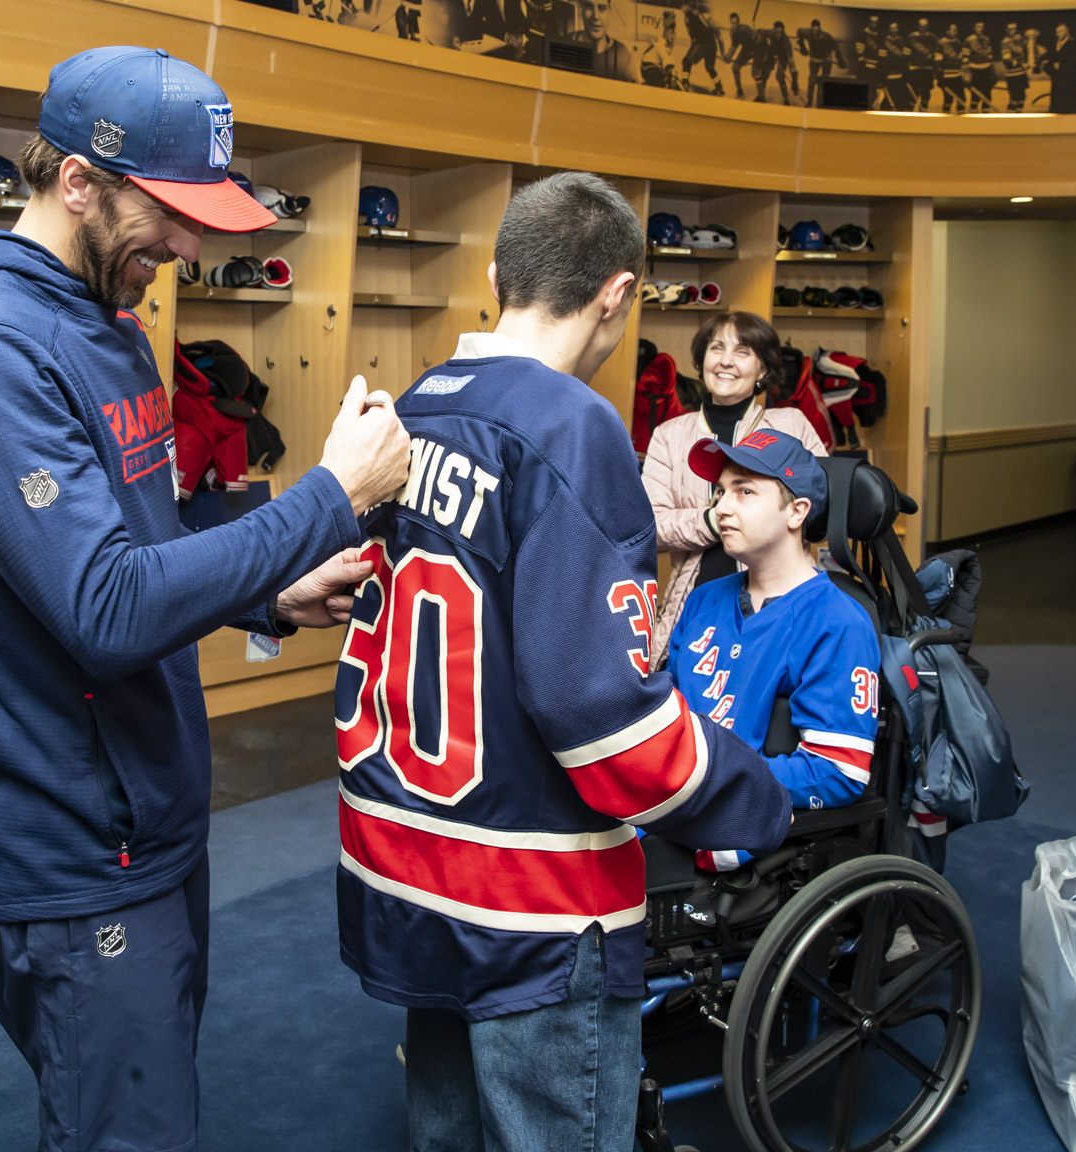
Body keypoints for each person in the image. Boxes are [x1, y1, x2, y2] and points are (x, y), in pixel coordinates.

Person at [0, 46, 411, 1152]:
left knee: (130, 1110)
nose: (185, 246)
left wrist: (269, 591)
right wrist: (328, 499)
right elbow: (108, 606)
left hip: (145, 816)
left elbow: (144, 545)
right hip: (66, 846)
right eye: (165, 213)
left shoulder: (106, 323)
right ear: (77, 182)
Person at [335, 173, 791, 1152]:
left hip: (404, 862)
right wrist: (758, 797)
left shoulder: (416, 405)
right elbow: (605, 722)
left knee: (446, 1131)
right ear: (618, 295)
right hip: (528, 899)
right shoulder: (572, 429)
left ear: (496, 274)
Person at [669, 430, 880, 864]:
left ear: (796, 512)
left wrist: (715, 784)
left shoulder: (837, 622)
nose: (721, 508)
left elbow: (839, 771)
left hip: (723, 825)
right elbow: (667, 707)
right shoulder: (704, 598)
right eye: (720, 491)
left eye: (744, 491)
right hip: (664, 798)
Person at [640, 311, 826, 671]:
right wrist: (711, 520)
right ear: (702, 360)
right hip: (694, 605)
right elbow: (650, 527)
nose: (726, 360)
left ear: (763, 370)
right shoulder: (669, 435)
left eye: (743, 352)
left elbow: (821, 508)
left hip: (783, 603)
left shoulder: (791, 425)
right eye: (716, 348)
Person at [577, 0, 637, 81]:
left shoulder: (622, 55)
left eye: (602, 8)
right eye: (589, 7)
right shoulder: (565, 43)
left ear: (609, 11)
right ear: (581, 8)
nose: (596, 16)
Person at [680, 0, 724, 95]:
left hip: (702, 43)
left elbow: (692, 35)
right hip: (712, 44)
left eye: (682, 6)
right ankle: (719, 87)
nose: (681, 9)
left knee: (686, 61)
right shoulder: (697, 13)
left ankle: (684, 83)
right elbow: (707, 26)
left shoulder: (688, 17)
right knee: (710, 67)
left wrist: (693, 49)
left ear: (687, 6)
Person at [797, 18, 838, 106]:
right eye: (813, 30)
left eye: (816, 30)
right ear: (811, 28)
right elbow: (799, 31)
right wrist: (802, 47)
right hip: (814, 59)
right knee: (811, 80)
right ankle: (809, 101)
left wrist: (838, 59)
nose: (815, 32)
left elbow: (835, 46)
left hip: (826, 59)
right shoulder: (807, 32)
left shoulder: (826, 36)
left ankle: (822, 101)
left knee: (825, 79)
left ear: (820, 29)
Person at [1045, 22, 1076, 114]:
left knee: (1070, 105)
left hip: (1069, 80)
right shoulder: (1055, 44)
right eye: (1057, 32)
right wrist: (1051, 66)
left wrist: (1062, 66)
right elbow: (1049, 59)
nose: (1058, 34)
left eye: (1061, 32)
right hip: (1057, 79)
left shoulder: (1074, 44)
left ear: (1067, 32)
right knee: (1057, 105)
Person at [642, 10, 683, 88]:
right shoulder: (661, 42)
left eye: (674, 33)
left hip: (655, 67)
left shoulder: (670, 43)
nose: (673, 36)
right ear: (666, 32)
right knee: (665, 82)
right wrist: (671, 70)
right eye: (671, 33)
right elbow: (665, 57)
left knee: (668, 78)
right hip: (647, 67)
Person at [1000, 21, 1033, 112]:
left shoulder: (1019, 39)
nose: (1013, 31)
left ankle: (1019, 115)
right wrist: (1020, 63)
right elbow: (1007, 60)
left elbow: (1026, 51)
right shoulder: (1005, 42)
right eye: (1010, 29)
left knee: (1022, 97)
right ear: (1007, 30)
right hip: (1012, 74)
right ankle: (1011, 116)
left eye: (1014, 28)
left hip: (1021, 72)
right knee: (1014, 99)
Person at [907, 17, 938, 111]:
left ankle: (924, 110)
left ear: (928, 27)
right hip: (914, 68)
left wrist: (935, 68)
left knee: (926, 91)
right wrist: (907, 65)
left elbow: (935, 53)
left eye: (925, 26)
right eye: (921, 26)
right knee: (913, 91)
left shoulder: (932, 37)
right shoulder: (911, 37)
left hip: (927, 68)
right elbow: (907, 52)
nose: (923, 28)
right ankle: (910, 111)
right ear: (918, 26)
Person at [965, 21, 997, 111]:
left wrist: (992, 67)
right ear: (974, 28)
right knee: (975, 95)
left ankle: (985, 115)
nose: (980, 29)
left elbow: (990, 54)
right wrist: (966, 73)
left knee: (987, 93)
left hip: (986, 69)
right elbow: (965, 57)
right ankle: (973, 117)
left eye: (982, 27)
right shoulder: (969, 40)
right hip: (975, 69)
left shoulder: (987, 39)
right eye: (978, 27)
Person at [937, 23, 967, 113]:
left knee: (961, 98)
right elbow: (937, 58)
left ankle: (961, 120)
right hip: (946, 75)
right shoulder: (941, 43)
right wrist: (939, 74)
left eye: (956, 30)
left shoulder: (958, 42)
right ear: (947, 31)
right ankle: (945, 121)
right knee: (948, 99)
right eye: (953, 30)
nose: (955, 32)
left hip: (957, 74)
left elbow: (961, 56)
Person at [727, 13, 756, 99]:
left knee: (756, 72)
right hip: (746, 50)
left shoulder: (745, 29)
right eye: (732, 23)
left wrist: (756, 54)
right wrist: (728, 56)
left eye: (735, 23)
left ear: (738, 23)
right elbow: (734, 46)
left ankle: (762, 94)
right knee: (735, 67)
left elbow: (757, 42)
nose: (734, 25)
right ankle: (739, 89)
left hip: (756, 49)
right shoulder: (732, 32)